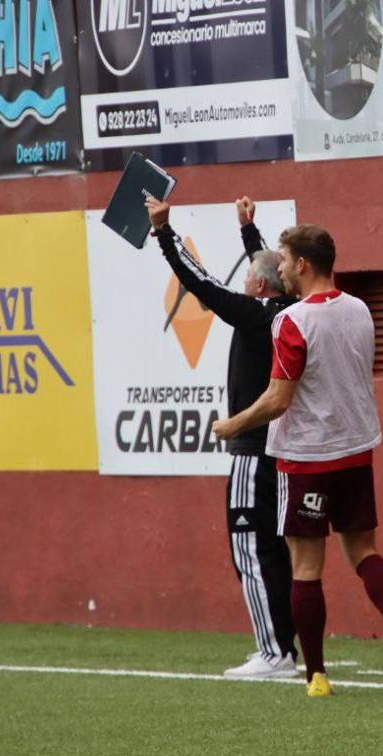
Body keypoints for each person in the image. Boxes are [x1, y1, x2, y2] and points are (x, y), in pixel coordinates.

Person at [210, 223, 383, 698]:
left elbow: (279, 399)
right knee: (364, 552)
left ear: (302, 264)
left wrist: (234, 423)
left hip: (305, 456)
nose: (279, 267)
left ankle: (317, 675)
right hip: (356, 450)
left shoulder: (292, 321)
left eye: (283, 260)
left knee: (306, 567)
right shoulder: (362, 309)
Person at [145, 195, 298, 679]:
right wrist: (249, 233)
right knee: (275, 552)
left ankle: (273, 653)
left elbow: (202, 284)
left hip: (253, 456)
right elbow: (268, 270)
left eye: (250, 275)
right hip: (284, 454)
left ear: (255, 285)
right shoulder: (289, 309)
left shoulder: (254, 315)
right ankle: (284, 648)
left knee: (251, 551)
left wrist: (165, 235)